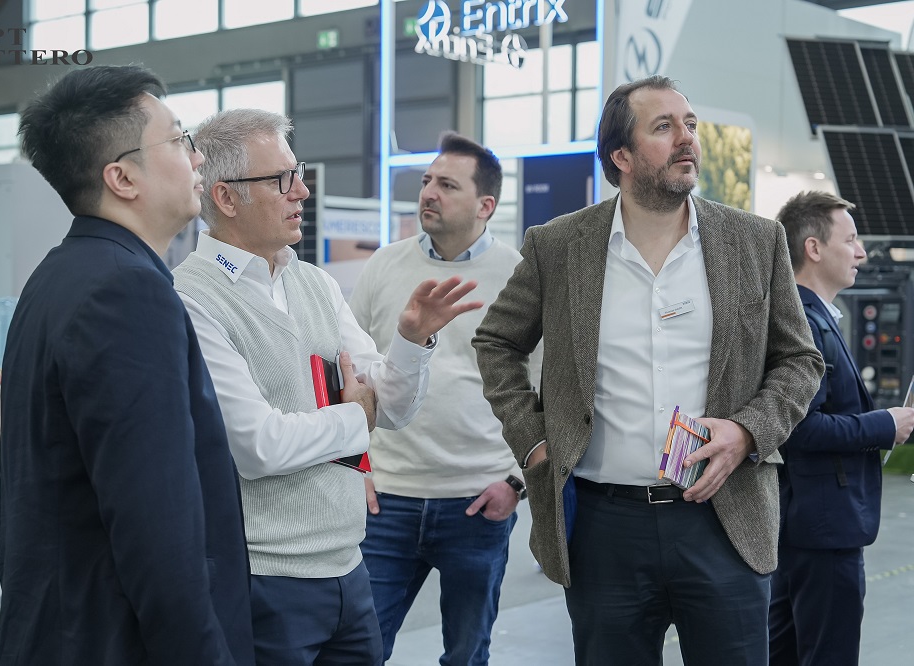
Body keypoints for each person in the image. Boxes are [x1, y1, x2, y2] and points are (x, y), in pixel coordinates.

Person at [472, 74, 824, 665]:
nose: (687, 138)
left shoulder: (755, 241)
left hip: (725, 517)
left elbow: (800, 360)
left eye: (690, 124)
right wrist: (534, 442)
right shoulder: (558, 246)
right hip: (604, 527)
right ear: (622, 157)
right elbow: (496, 343)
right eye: (664, 127)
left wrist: (747, 432)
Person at [171, 108, 482, 666]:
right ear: (225, 197)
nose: (302, 191)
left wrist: (411, 342)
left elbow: (392, 409)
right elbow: (259, 446)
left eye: (298, 173)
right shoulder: (191, 298)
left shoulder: (312, 281)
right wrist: (355, 417)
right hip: (265, 576)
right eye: (281, 179)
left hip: (348, 565)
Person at [0, 66, 254, 665]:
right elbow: (156, 525)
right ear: (122, 177)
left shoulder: (60, 274)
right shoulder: (127, 292)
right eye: (180, 139)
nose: (198, 157)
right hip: (116, 640)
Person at [349, 132, 542, 665]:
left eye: (448, 185)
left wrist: (516, 483)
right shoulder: (384, 266)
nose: (429, 192)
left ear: (485, 205)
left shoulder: (520, 276)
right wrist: (353, 465)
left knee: (466, 654)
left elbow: (547, 390)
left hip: (477, 503)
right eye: (427, 181)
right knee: (360, 649)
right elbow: (348, 370)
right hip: (385, 500)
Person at [768, 191, 914, 666]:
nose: (862, 252)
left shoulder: (810, 317)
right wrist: (882, 424)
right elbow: (800, 428)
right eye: (850, 240)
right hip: (823, 528)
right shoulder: (806, 324)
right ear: (813, 248)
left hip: (803, 524)